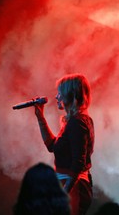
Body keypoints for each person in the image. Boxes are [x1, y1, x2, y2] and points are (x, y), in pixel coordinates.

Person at [34, 73, 95, 215]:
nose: (56, 96)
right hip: (70, 187)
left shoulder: (77, 122)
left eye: (59, 92)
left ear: (70, 94)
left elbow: (78, 162)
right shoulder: (74, 121)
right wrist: (40, 117)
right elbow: (52, 146)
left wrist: (64, 193)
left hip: (74, 189)